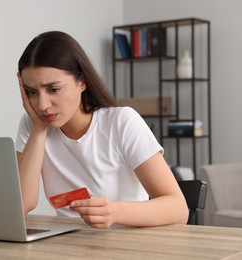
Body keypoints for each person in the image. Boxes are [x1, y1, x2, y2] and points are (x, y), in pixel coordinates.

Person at [15, 31, 188, 229]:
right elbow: (21, 205)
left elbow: (178, 209)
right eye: (32, 92)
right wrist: (38, 129)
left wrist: (115, 212)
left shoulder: (121, 122)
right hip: (69, 247)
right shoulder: (32, 125)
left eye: (53, 90)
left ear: (82, 81)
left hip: (129, 245)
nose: (43, 105)